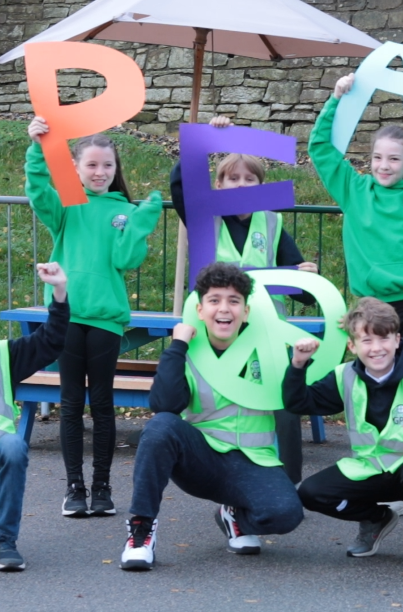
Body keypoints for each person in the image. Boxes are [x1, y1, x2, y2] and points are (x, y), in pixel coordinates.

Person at [119, 263, 302, 571]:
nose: (224, 308)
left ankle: (234, 515)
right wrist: (177, 347)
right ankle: (141, 530)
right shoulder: (189, 351)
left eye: (233, 300)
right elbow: (165, 404)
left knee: (286, 515)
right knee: (161, 425)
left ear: (246, 311)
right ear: (200, 310)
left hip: (255, 460)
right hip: (203, 458)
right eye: (215, 300)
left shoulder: (267, 350)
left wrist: (302, 364)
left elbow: (299, 398)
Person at [26, 118, 163, 517]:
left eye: (108, 166)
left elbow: (126, 259)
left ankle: (102, 488)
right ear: (76, 168)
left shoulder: (124, 211)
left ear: (116, 170)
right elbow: (37, 192)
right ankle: (74, 489)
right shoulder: (68, 205)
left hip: (104, 320)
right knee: (71, 404)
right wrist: (37, 148)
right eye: (92, 165)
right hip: (67, 318)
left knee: (102, 405)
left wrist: (141, 221)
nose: (101, 172)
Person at [170, 117, 318, 485]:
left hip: (265, 330)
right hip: (216, 331)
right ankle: (220, 476)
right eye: (232, 179)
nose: (241, 185)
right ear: (218, 185)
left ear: (261, 186)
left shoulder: (271, 222)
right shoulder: (206, 218)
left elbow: (295, 283)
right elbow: (179, 184)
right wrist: (205, 139)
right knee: (220, 405)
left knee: (281, 401)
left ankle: (289, 481)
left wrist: (305, 276)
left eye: (249, 179)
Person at [283, 297, 403, 568]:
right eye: (366, 341)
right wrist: (298, 365)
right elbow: (299, 403)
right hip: (369, 468)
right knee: (310, 492)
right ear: (352, 345)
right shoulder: (345, 376)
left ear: (397, 340)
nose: (376, 348)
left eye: (383, 339)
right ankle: (376, 517)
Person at [308, 73, 403, 365]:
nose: (384, 166)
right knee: (376, 385)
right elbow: (320, 149)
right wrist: (336, 100)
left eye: (393, 159)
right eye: (377, 158)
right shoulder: (354, 189)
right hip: (371, 306)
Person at [0, 263, 70, 571]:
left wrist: (59, 291)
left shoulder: (5, 353)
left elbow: (50, 341)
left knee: (13, 447)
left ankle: (3, 541)